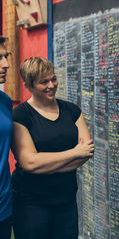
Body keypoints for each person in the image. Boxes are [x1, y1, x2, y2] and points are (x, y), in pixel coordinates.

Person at [11, 57, 94, 239]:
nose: (51, 85)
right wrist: (73, 153)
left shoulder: (71, 111)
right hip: (31, 203)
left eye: (53, 79)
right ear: (29, 86)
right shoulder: (20, 115)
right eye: (44, 82)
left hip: (66, 200)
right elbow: (29, 163)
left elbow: (86, 151)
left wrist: (47, 165)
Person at [0, 36, 13, 239]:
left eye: (6, 56)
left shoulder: (5, 101)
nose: (7, 64)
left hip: (5, 207)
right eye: (0, 57)